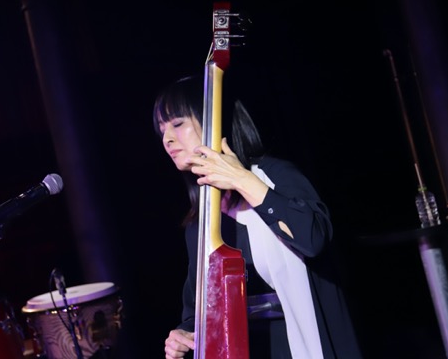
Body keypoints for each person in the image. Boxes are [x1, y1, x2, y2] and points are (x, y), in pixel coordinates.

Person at [155, 76, 363, 358]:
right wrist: (184, 334)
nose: (167, 139)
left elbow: (313, 238)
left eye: (178, 124)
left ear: (213, 120)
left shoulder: (275, 176)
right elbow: (198, 310)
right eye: (162, 130)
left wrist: (242, 180)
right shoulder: (200, 223)